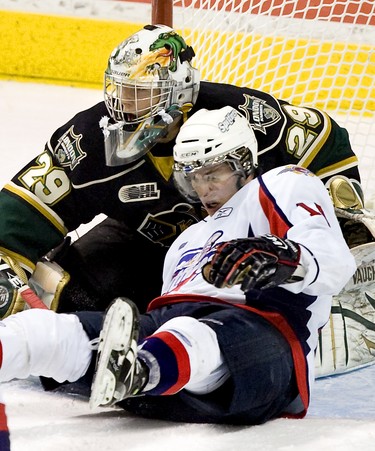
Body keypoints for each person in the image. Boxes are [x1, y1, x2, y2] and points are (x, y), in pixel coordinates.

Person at [0, 107, 356, 425]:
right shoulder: (186, 241)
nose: (203, 189)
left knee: (191, 331)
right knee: (43, 330)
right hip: (169, 370)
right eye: (193, 178)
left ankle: (142, 370)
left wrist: (283, 256)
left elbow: (336, 263)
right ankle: (137, 372)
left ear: (244, 162)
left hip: (264, 347)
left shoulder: (283, 184)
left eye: (212, 174)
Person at [0, 24, 370, 321]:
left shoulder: (242, 115)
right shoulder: (89, 141)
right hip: (148, 246)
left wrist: (337, 221)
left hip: (242, 249)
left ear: (179, 93)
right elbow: (21, 210)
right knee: (73, 296)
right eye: (120, 91)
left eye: (140, 94)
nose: (124, 107)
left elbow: (324, 137)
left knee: (250, 307)